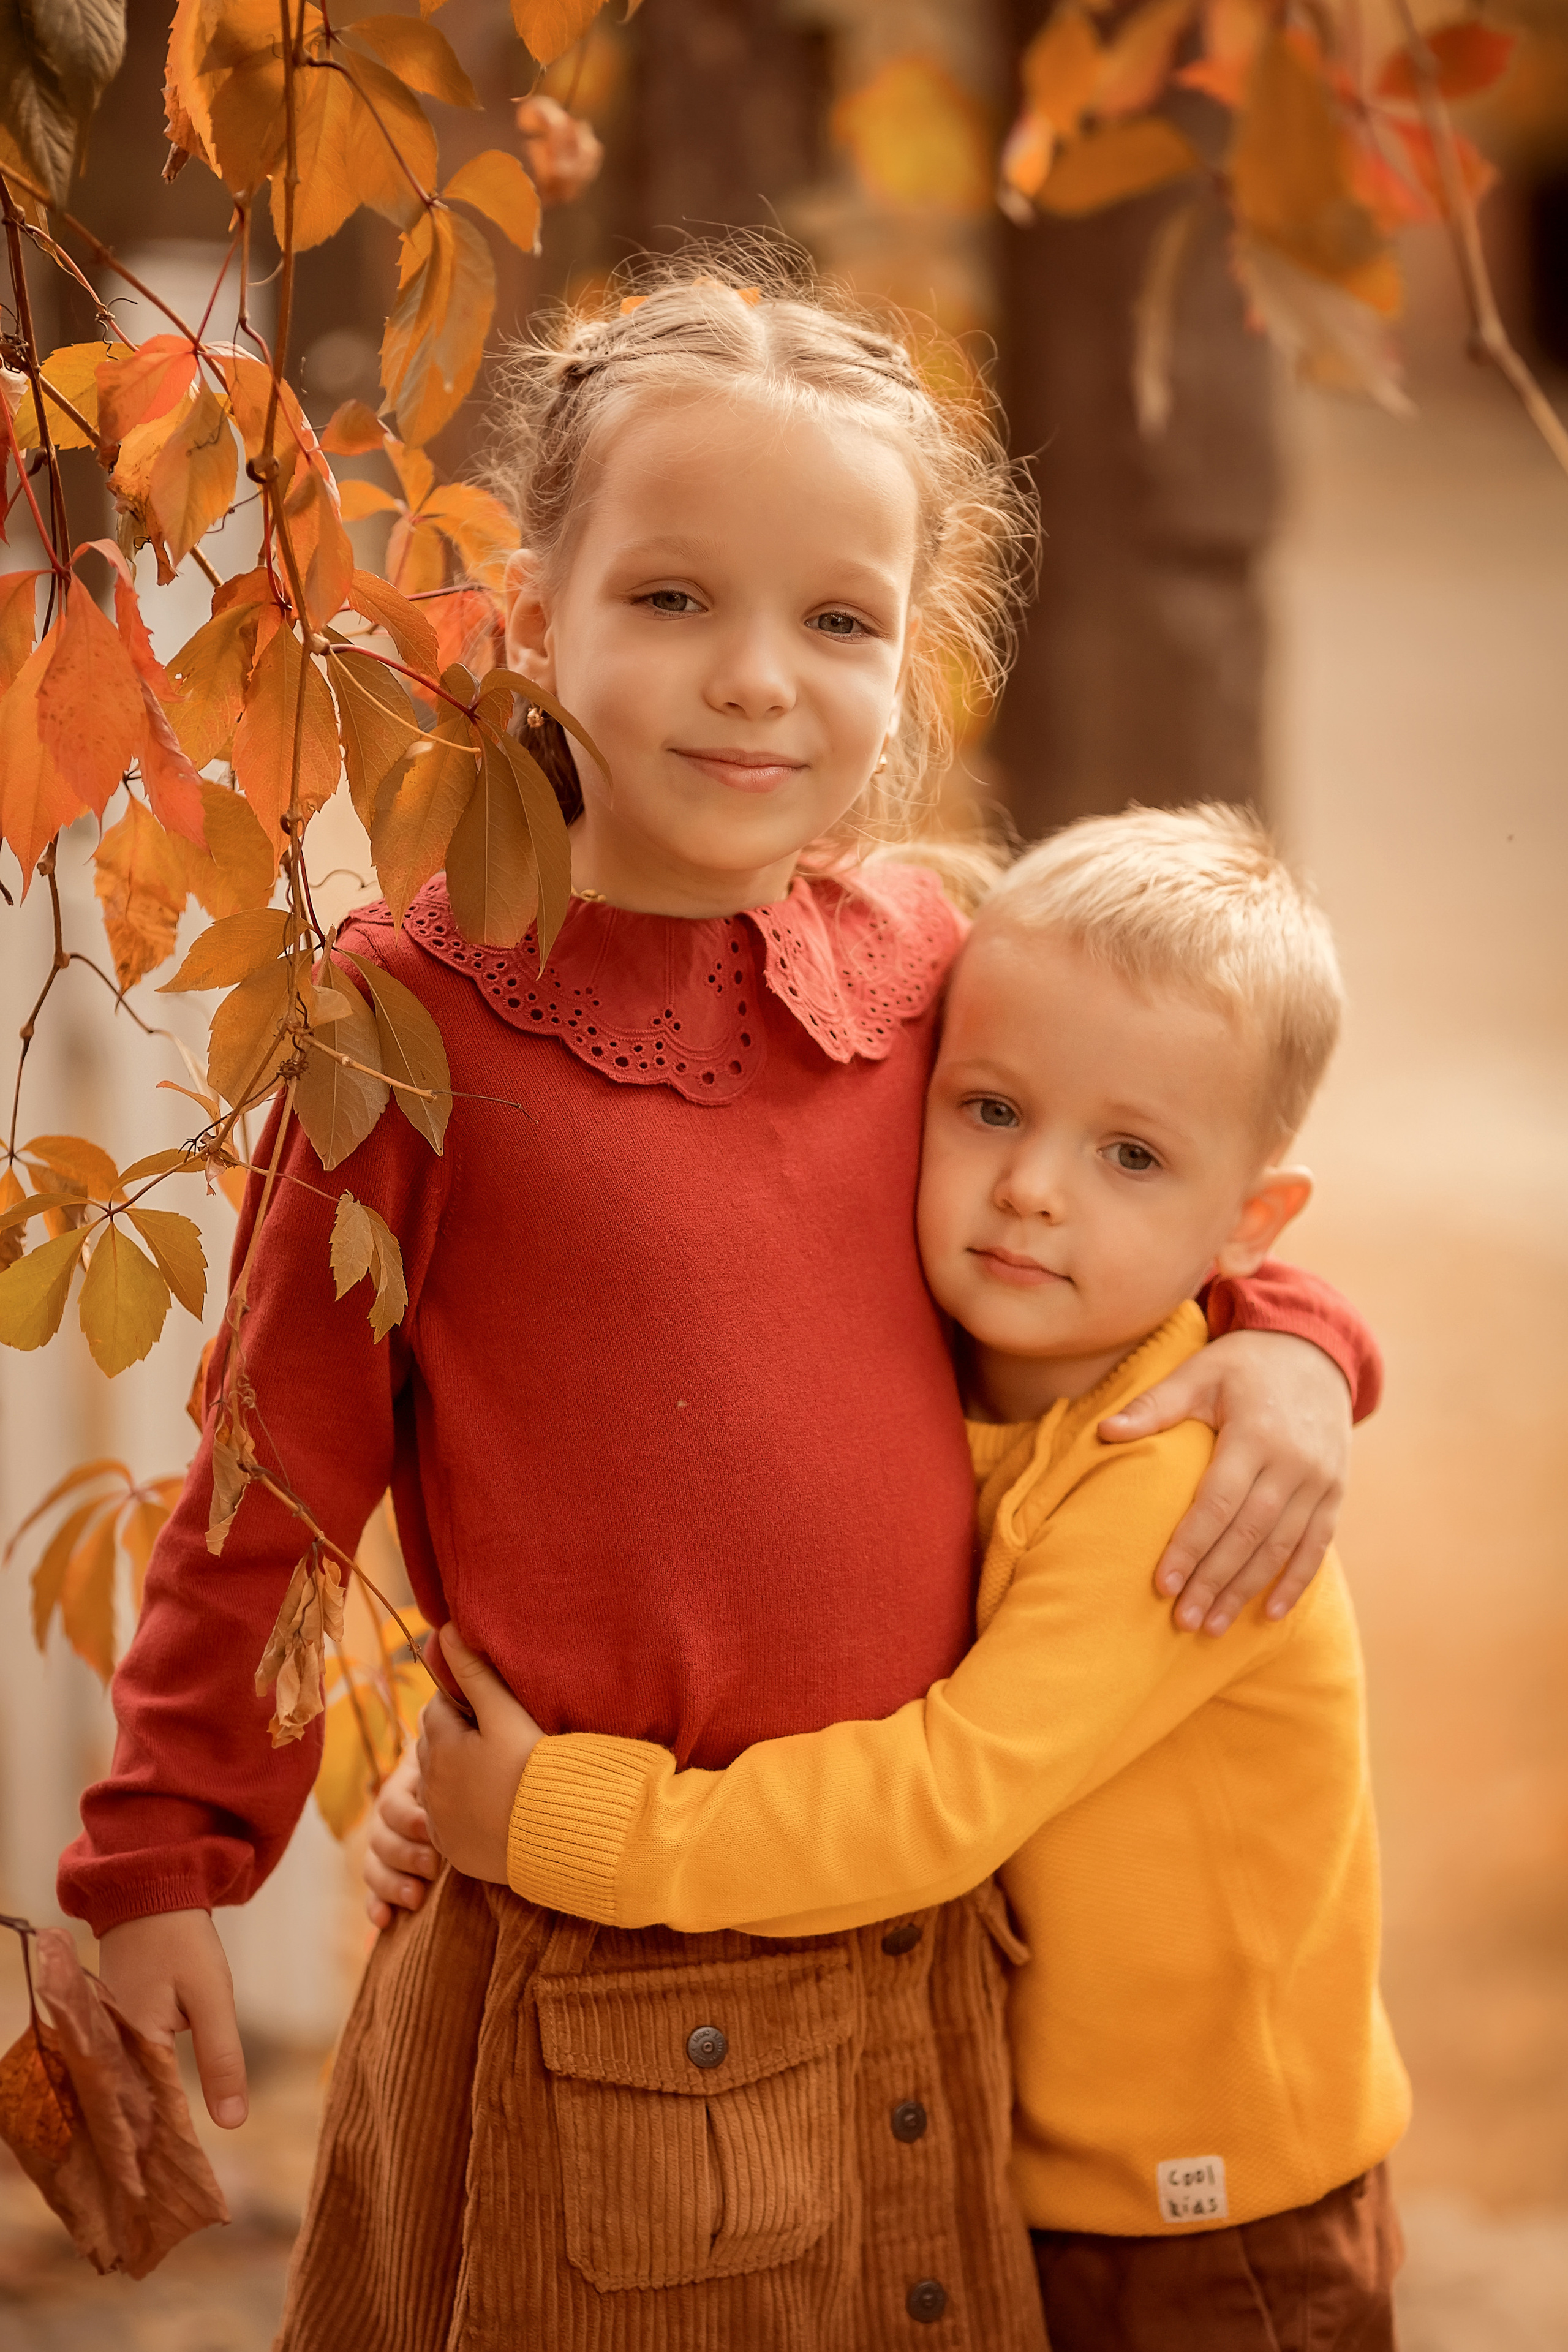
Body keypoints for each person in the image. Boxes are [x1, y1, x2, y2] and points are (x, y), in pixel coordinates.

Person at [61, 254, 1381, 2352]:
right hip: (595, 1971)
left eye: (837, 620)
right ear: (534, 615)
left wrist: (1299, 1349)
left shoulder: (932, 958)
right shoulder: (410, 1020)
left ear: (910, 661)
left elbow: (1145, 1187)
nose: (757, 678)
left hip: (920, 1952)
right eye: (674, 600)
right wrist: (164, 1858)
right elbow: (265, 1466)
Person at [391, 804, 1410, 2352]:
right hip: (1015, 2164)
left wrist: (556, 1822)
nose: (1033, 1190)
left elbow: (937, 1800)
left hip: (1210, 2225)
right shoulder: (939, 1370)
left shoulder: (1173, 1474)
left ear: (1246, 1222)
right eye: (989, 1109)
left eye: (1128, 1154)